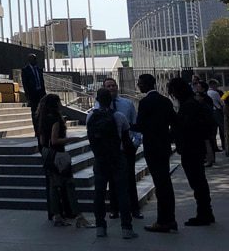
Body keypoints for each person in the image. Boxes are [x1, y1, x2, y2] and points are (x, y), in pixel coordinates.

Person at [88, 77, 142, 220]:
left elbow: (134, 124)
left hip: (125, 148)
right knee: (112, 181)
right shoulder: (96, 111)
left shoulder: (127, 104)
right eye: (108, 86)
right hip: (106, 151)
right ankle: (114, 209)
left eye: (113, 85)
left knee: (129, 179)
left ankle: (134, 209)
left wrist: (135, 143)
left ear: (117, 87)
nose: (111, 88)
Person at [36, 93, 92, 228]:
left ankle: (57, 216)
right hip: (58, 154)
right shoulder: (56, 119)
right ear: (56, 104)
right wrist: (73, 139)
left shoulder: (42, 118)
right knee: (69, 185)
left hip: (47, 153)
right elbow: (55, 140)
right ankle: (79, 216)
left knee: (54, 187)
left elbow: (44, 140)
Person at [167, 77, 215, 226]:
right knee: (199, 180)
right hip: (194, 147)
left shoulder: (188, 106)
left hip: (191, 148)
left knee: (197, 181)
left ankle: (204, 213)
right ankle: (205, 212)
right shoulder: (192, 103)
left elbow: (185, 127)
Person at [134, 73, 177, 233]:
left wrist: (126, 125)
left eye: (139, 83)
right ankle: (170, 218)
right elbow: (174, 121)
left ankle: (163, 221)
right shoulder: (165, 101)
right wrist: (168, 137)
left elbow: (140, 125)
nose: (138, 85)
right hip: (164, 146)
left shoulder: (145, 102)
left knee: (160, 184)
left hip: (152, 146)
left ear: (145, 85)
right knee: (165, 183)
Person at [21, 54, 46, 133]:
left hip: (41, 94)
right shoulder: (25, 70)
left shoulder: (39, 69)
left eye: (36, 59)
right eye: (34, 59)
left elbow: (42, 82)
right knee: (35, 112)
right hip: (33, 95)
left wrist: (44, 94)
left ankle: (42, 129)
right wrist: (28, 96)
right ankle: (37, 131)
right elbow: (25, 84)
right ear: (30, 60)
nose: (36, 61)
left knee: (42, 112)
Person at [193, 81, 217, 165]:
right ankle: (211, 158)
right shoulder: (204, 99)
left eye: (199, 86)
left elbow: (208, 112)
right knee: (208, 141)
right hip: (208, 122)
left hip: (206, 123)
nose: (197, 87)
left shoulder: (205, 99)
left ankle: (210, 159)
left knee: (207, 141)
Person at [206, 80, 225, 152]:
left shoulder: (207, 93)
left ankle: (214, 147)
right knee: (222, 129)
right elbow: (221, 103)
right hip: (217, 112)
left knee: (213, 131)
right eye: (216, 85)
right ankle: (224, 145)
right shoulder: (215, 93)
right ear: (213, 85)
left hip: (210, 113)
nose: (217, 86)